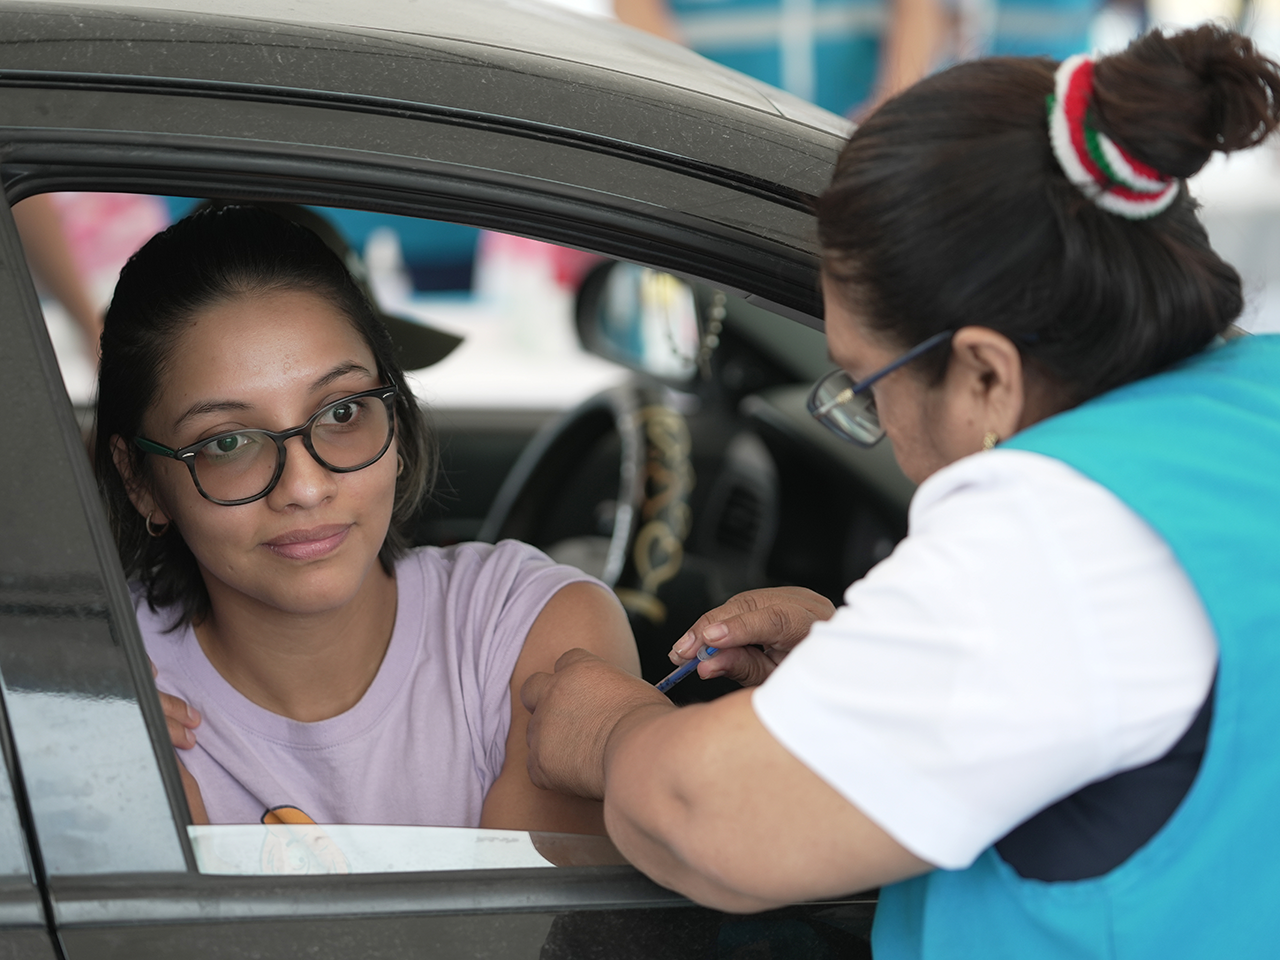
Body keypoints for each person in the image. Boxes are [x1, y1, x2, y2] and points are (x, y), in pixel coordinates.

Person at [521, 24, 1280, 957]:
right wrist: (856, 659)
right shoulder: (1254, 407)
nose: (870, 422)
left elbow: (708, 822)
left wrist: (607, 730)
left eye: (864, 386)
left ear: (986, 379)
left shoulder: (1054, 530)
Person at [95, 205, 638, 832]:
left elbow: (526, 932)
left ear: (398, 420)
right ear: (141, 481)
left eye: (343, 413)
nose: (304, 486)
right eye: (227, 444)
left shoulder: (523, 633)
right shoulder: (84, 686)